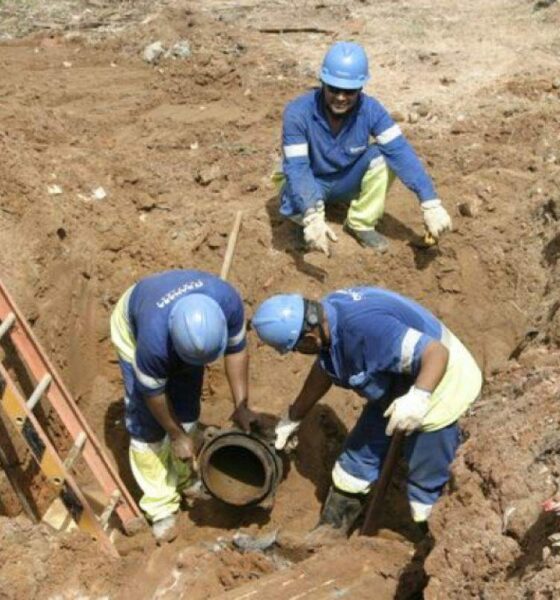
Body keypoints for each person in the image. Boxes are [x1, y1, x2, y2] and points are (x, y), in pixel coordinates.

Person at [251, 287, 482, 537]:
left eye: (296, 348)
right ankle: (331, 531)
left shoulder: (366, 328)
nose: (299, 354)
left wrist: (418, 397)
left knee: (426, 487)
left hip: (440, 383)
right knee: (355, 463)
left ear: (309, 339)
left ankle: (428, 544)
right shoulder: (326, 321)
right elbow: (326, 367)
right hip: (396, 382)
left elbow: (436, 353)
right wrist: (293, 416)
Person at [110, 269, 258, 542]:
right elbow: (152, 392)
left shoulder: (227, 302)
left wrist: (242, 405)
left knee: (187, 410)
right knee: (148, 428)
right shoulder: (152, 344)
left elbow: (236, 351)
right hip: (132, 326)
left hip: (180, 336)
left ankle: (184, 478)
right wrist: (175, 435)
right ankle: (160, 504)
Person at [273, 41, 452, 256]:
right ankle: (308, 221)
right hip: (310, 179)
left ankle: (360, 222)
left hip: (346, 180)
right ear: (322, 82)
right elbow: (298, 168)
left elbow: (400, 151)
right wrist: (311, 214)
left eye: (349, 91)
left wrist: (430, 202)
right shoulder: (298, 113)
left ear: (361, 88)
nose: (341, 97)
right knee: (292, 197)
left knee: (385, 156)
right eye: (334, 89)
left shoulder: (371, 110)